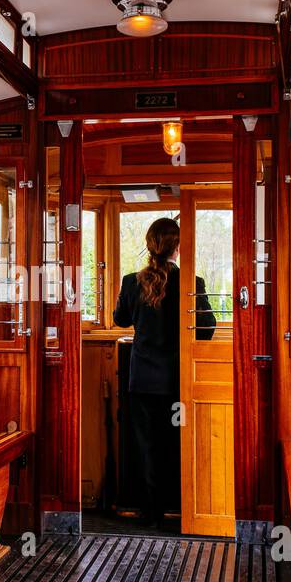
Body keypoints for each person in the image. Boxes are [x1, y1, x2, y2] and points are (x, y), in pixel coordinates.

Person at [112, 217, 216, 525]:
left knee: (145, 444)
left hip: (142, 378)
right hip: (177, 378)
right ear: (178, 247)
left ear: (149, 245)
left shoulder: (132, 281)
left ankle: (150, 511)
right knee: (175, 441)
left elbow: (120, 319)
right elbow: (207, 328)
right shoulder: (191, 283)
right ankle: (180, 508)